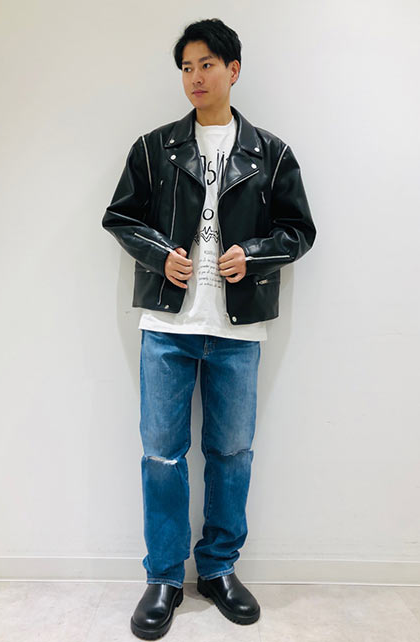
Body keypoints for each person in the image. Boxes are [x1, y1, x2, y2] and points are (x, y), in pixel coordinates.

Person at [102, 17, 316, 640]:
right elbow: (120, 217)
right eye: (186, 67)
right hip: (167, 325)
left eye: (206, 64)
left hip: (236, 329)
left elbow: (299, 230)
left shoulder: (271, 153)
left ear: (233, 69)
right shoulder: (153, 148)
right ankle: (165, 578)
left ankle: (219, 569)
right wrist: (158, 254)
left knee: (231, 454)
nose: (195, 77)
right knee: (161, 456)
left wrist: (254, 255)